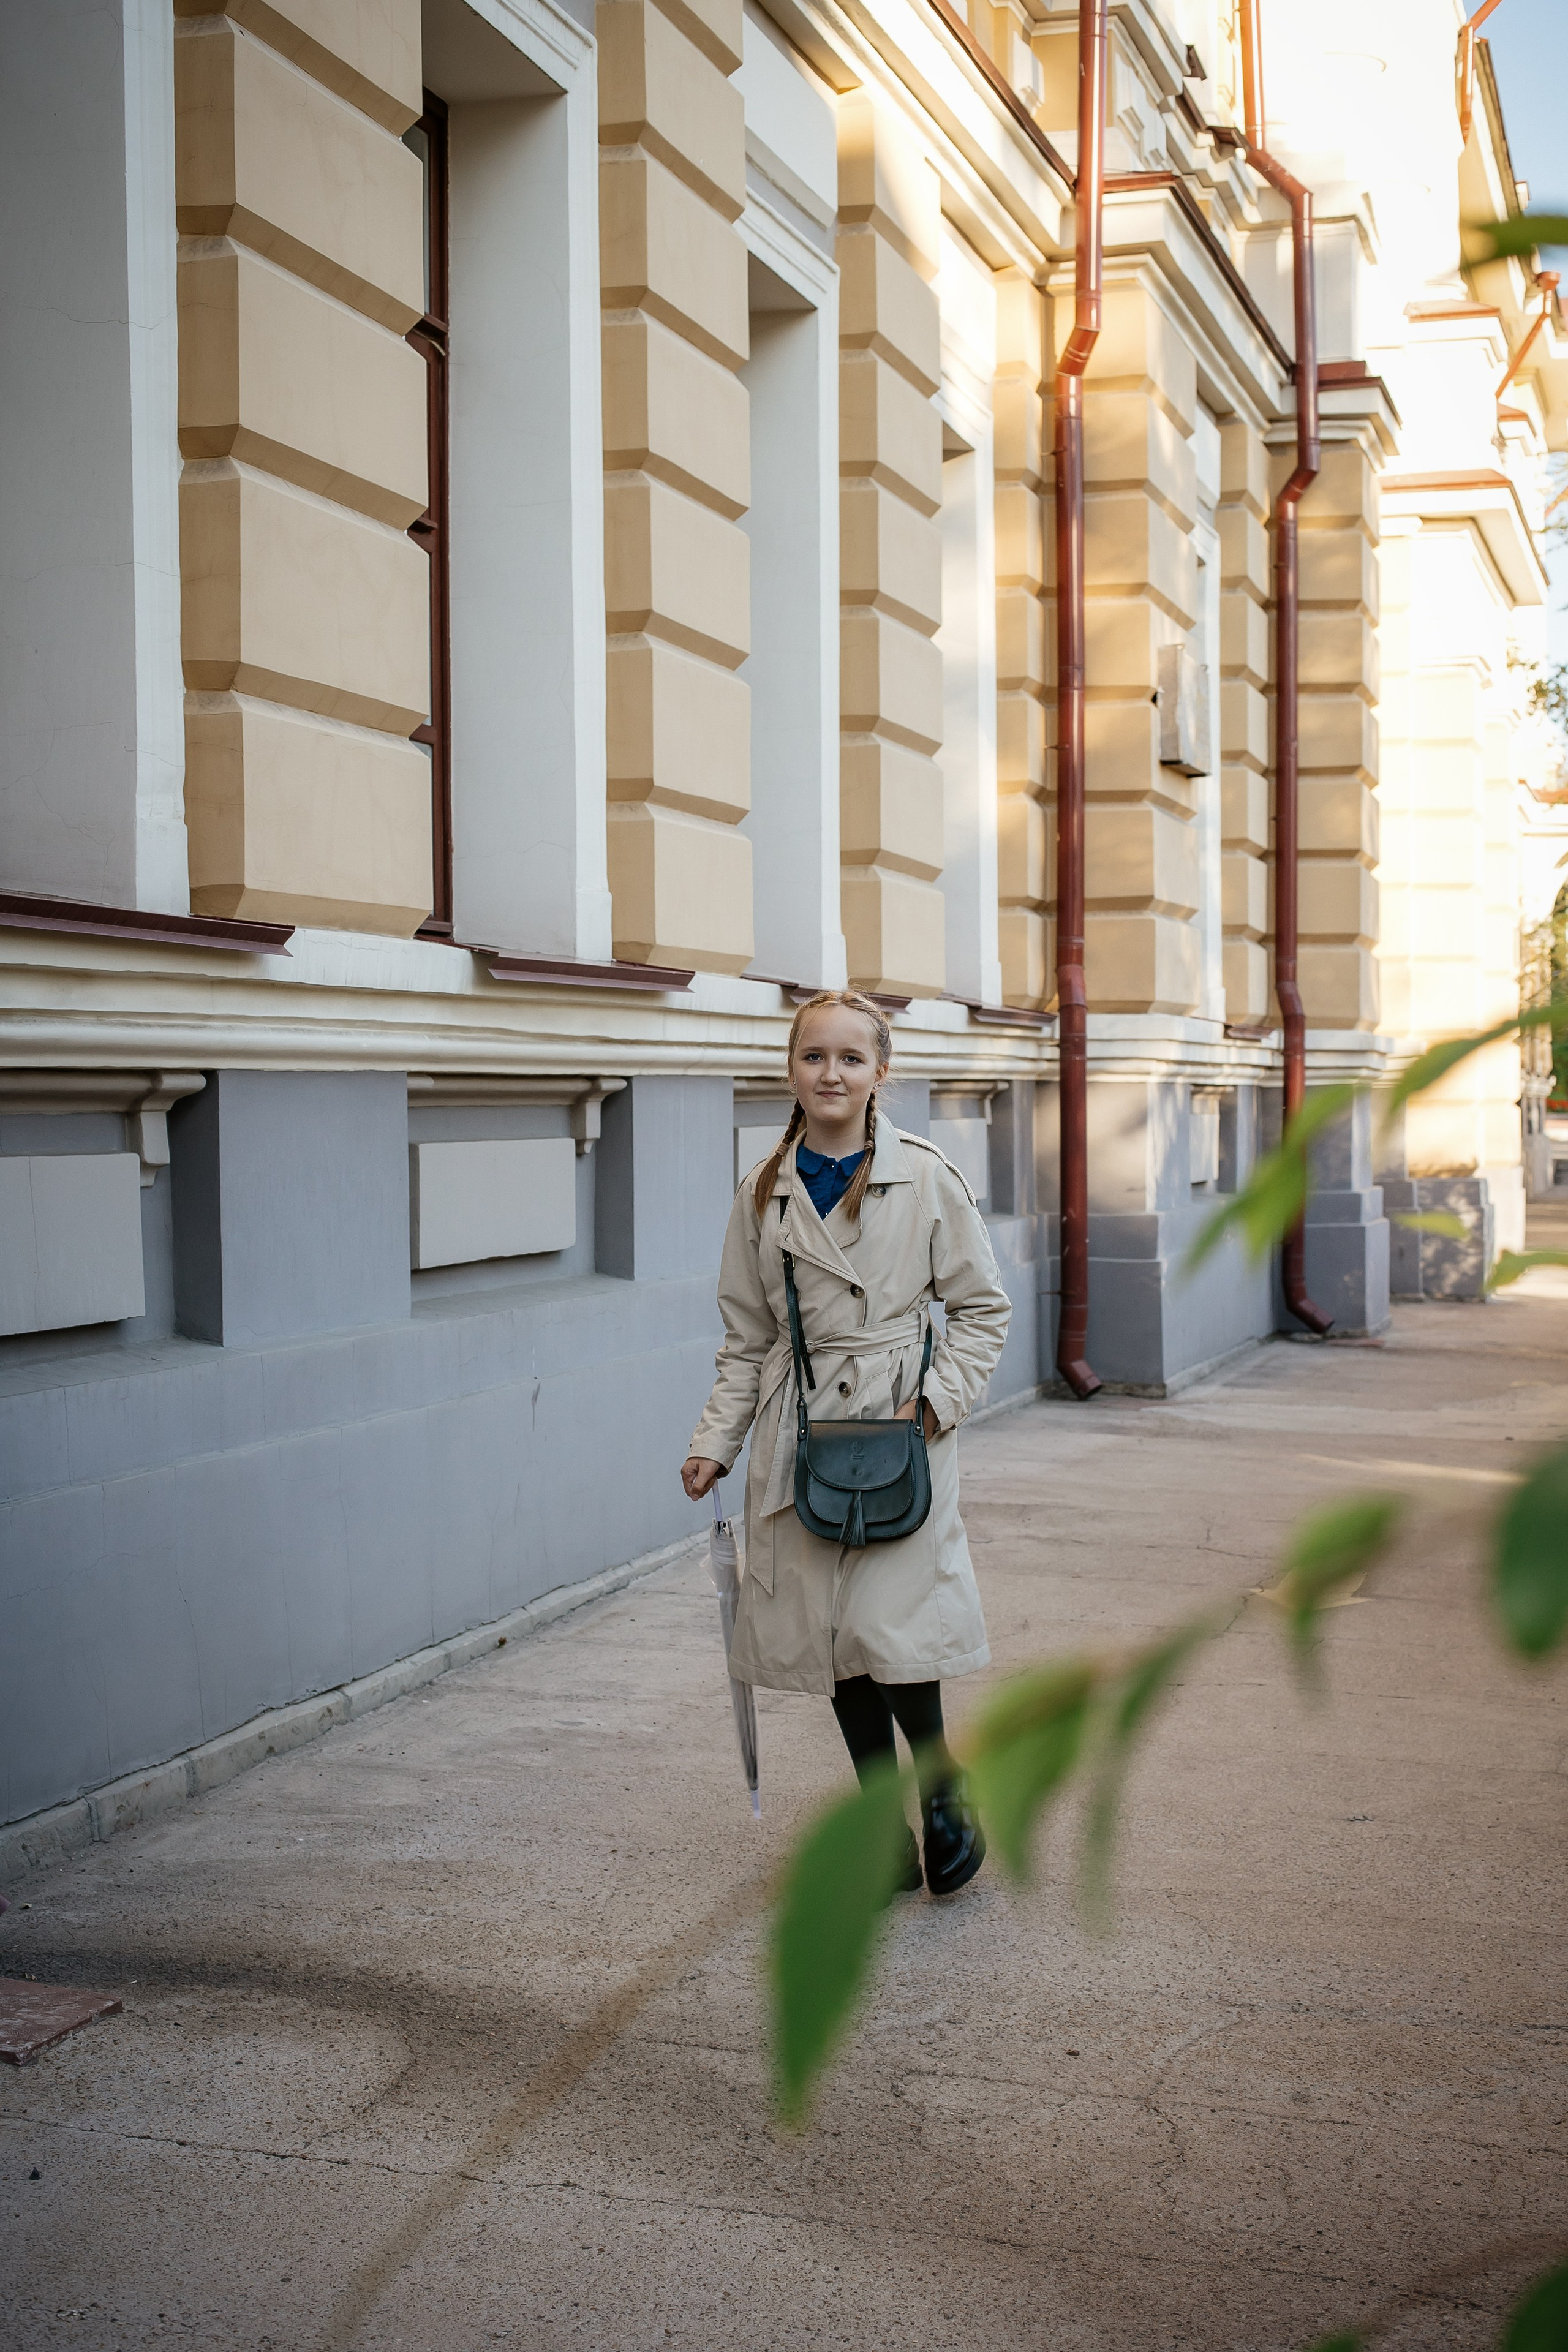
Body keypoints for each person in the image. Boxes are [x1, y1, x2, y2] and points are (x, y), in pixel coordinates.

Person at [682, 990, 1012, 1895]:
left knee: (888, 1627)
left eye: (850, 1059)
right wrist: (716, 1439)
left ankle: (943, 1788)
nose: (831, 1073)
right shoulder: (763, 1191)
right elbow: (747, 1336)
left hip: (899, 1428)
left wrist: (932, 1407)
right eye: (814, 1056)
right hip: (802, 1433)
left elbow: (982, 1309)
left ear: (879, 1073)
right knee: (835, 1637)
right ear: (792, 1070)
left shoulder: (927, 1178)